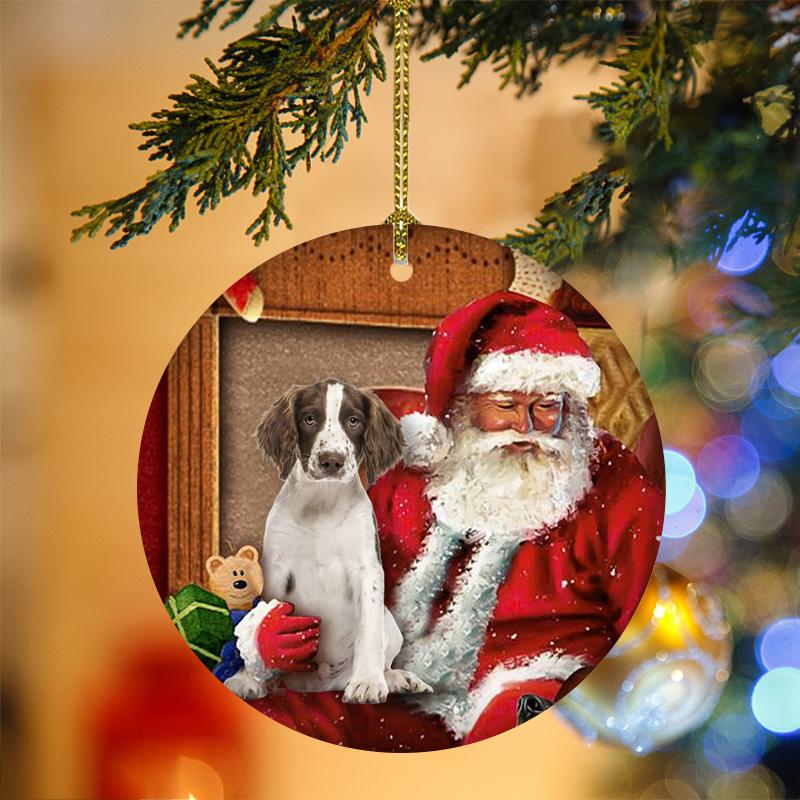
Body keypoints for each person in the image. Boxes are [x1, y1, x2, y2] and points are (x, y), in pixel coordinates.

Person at [242, 290, 664, 750]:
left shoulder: (612, 483)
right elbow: (334, 579)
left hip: (533, 683)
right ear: (466, 404)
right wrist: (269, 635)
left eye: (547, 406)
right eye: (505, 405)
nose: (526, 426)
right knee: (279, 722)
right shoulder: (413, 473)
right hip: (401, 683)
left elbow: (650, 626)